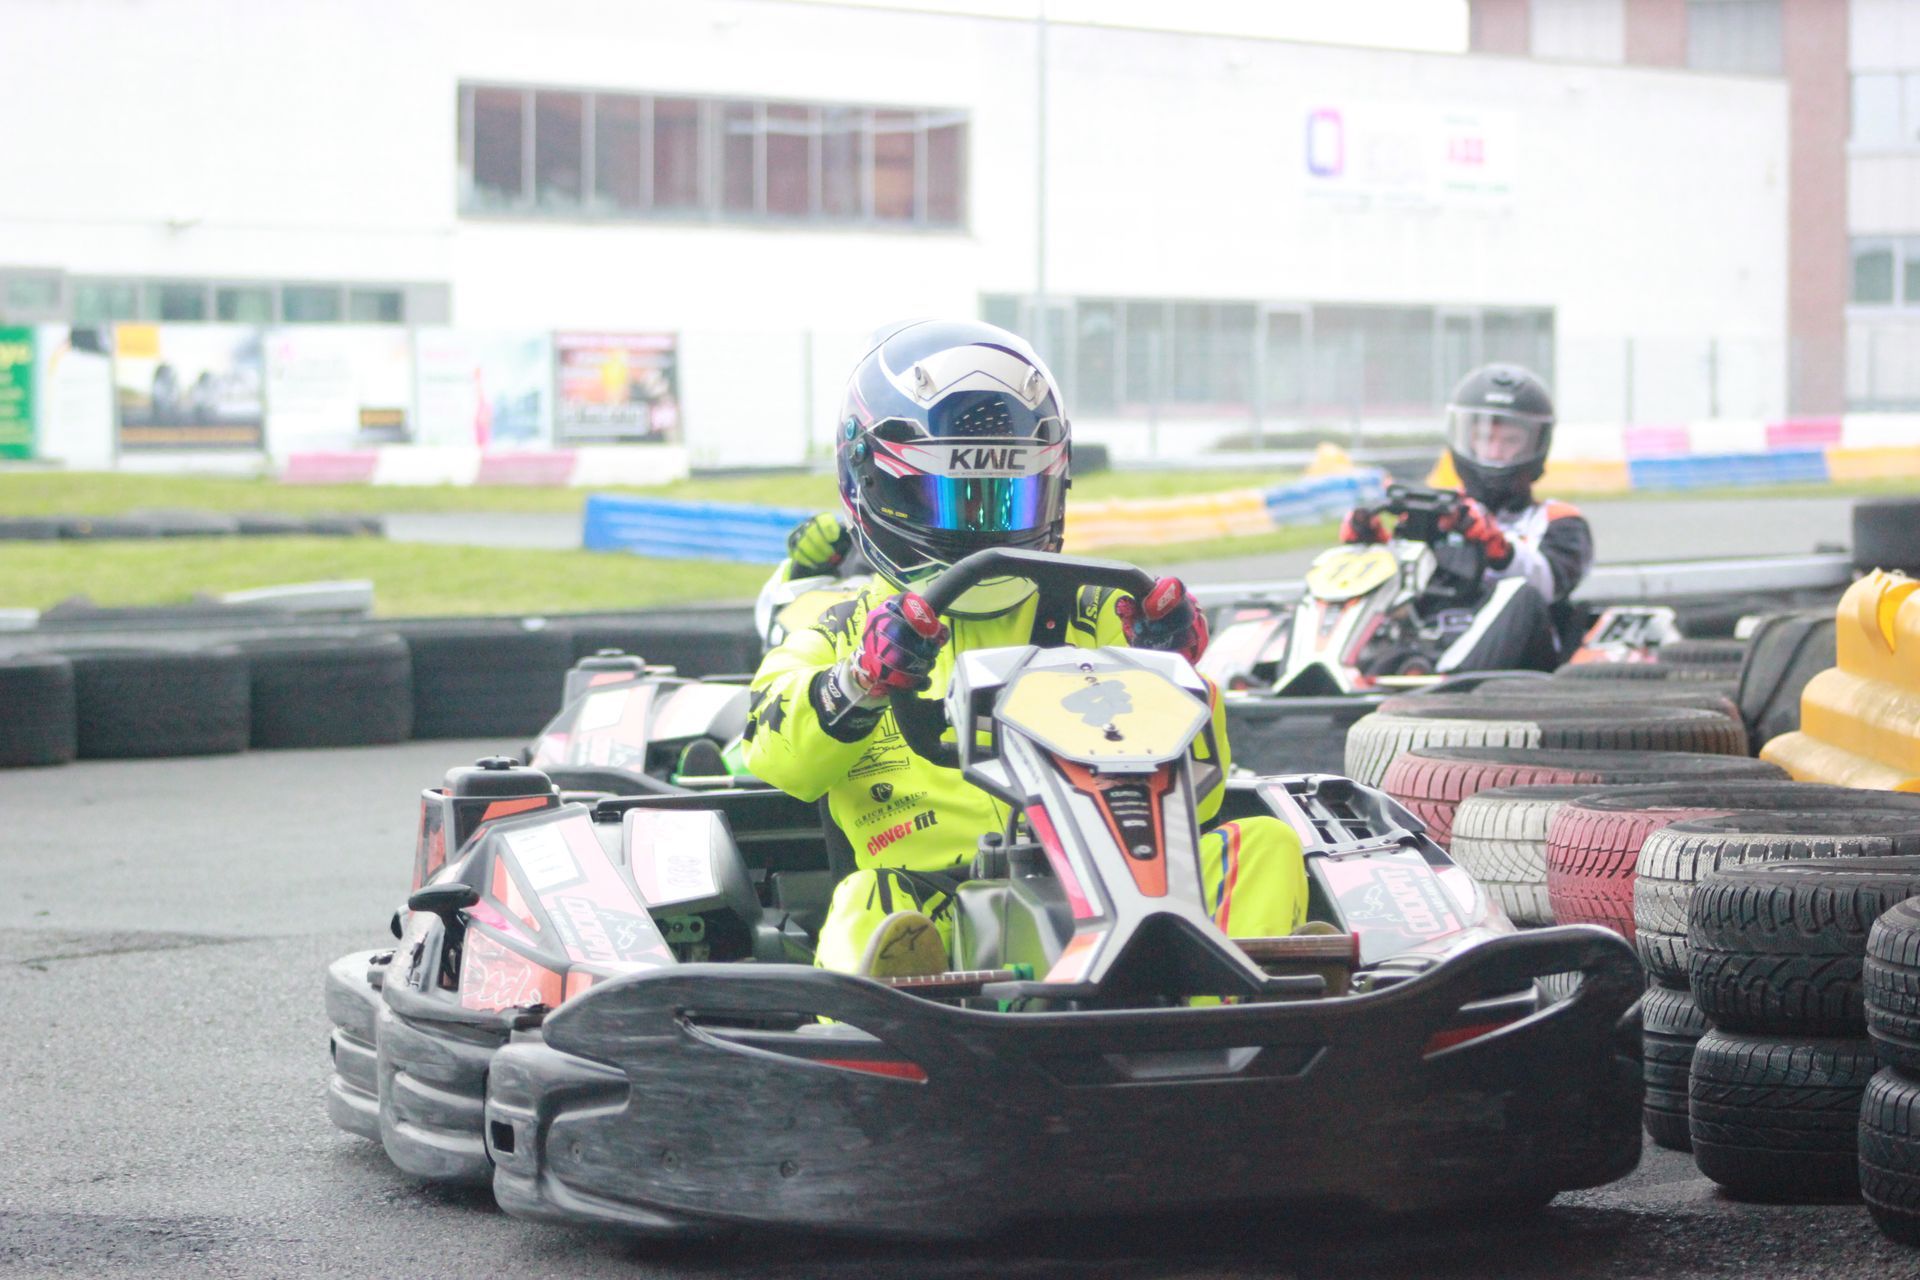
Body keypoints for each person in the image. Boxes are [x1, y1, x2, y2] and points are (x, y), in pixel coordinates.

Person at [743, 319, 1308, 978]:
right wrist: (861, 681)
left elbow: (1200, 803)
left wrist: (1172, 670)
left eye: (1007, 498)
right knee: (868, 902)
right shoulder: (839, 627)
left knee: (1263, 844)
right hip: (942, 915)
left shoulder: (1102, 613)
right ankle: (887, 1028)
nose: (984, 529)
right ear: (872, 484)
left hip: (1118, 885)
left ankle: (1236, 1016)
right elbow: (776, 757)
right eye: (954, 499)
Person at [1341, 363, 1594, 670]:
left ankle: (1447, 677)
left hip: (1517, 663)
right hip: (1430, 641)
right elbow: (1406, 584)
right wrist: (1370, 546)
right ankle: (1326, 667)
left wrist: (1498, 548)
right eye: (1485, 438)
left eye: (1510, 441)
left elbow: (1549, 585)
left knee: (1521, 594)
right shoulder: (1439, 512)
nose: (1495, 452)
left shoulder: (1559, 521)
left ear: (1537, 445)